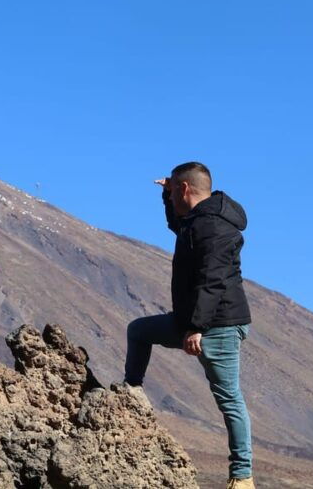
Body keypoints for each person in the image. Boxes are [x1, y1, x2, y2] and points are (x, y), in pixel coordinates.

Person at [123, 162, 254, 489]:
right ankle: (129, 397)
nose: (171, 199)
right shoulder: (198, 221)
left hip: (218, 325)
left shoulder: (214, 227)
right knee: (139, 331)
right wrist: (166, 197)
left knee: (229, 398)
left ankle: (243, 476)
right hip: (192, 321)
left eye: (173, 193)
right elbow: (178, 224)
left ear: (184, 189)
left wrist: (197, 327)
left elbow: (213, 280)